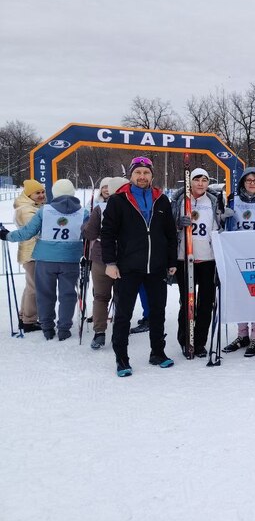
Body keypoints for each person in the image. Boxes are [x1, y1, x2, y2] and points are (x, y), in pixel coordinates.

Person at [100, 156, 178, 377]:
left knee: (157, 312)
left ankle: (157, 353)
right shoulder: (118, 200)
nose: (142, 177)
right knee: (123, 314)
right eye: (138, 173)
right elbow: (107, 234)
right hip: (127, 267)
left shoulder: (162, 200)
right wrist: (110, 262)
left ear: (152, 175)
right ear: (131, 175)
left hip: (156, 267)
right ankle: (122, 359)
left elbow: (170, 234)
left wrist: (171, 261)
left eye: (146, 173)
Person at [1, 178, 87, 341]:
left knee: (44, 294)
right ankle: (64, 329)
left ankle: (47, 328)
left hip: (45, 259)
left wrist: (7, 235)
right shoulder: (83, 212)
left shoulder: (44, 211)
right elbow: (90, 235)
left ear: (55, 193)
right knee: (67, 295)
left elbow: (27, 232)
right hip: (70, 259)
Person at [222, 167, 255, 356]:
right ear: (243, 183)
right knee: (240, 298)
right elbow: (224, 228)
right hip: (237, 257)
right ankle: (242, 335)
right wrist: (223, 218)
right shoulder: (233, 200)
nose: (252, 183)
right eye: (248, 180)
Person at [173, 168, 226, 359]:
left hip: (207, 259)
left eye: (205, 180)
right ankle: (186, 339)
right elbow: (169, 225)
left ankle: (200, 341)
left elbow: (218, 226)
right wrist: (178, 223)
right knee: (187, 302)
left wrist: (224, 221)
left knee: (206, 303)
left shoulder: (213, 201)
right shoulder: (179, 200)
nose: (201, 183)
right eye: (197, 180)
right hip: (184, 258)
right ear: (189, 182)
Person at [81, 176, 128, 349]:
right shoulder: (132, 206)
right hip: (125, 257)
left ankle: (99, 332)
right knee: (121, 296)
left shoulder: (100, 208)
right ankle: (120, 329)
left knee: (101, 296)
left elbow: (90, 233)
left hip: (102, 257)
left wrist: (84, 226)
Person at [12, 179, 46, 332]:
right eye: (37, 193)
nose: (41, 195)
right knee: (35, 287)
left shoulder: (35, 207)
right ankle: (29, 321)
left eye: (42, 192)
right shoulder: (26, 210)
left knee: (30, 286)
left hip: (33, 252)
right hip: (32, 253)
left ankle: (24, 316)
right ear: (28, 195)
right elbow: (35, 231)